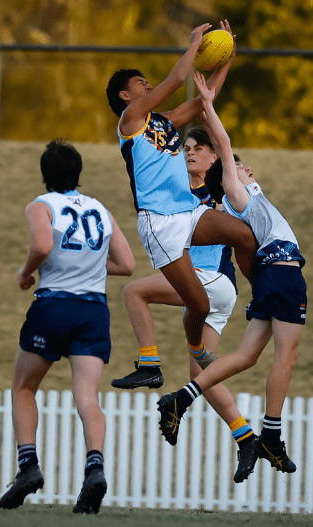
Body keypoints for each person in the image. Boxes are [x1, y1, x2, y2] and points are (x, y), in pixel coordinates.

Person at [157, 71, 307, 475]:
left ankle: (182, 398)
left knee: (246, 356)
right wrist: (207, 103)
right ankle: (272, 437)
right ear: (229, 178)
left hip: (269, 277)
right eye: (236, 168)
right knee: (285, 358)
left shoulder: (250, 195)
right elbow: (222, 145)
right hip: (284, 272)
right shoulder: (238, 195)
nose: (243, 168)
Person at [105, 21, 258, 376]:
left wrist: (228, 58)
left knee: (244, 235)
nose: (146, 85)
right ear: (126, 97)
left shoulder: (162, 122)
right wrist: (193, 45)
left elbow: (205, 101)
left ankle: (262, 299)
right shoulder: (131, 121)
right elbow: (175, 81)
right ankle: (176, 354)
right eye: (139, 84)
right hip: (159, 222)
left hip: (189, 212)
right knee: (199, 305)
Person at [110, 126, 259, 483]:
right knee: (200, 374)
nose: (189, 152)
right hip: (215, 292)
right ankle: (246, 437)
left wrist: (236, 172)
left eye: (199, 148)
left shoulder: (221, 191)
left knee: (134, 292)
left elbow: (242, 217)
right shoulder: (179, 192)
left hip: (210, 281)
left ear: (215, 158)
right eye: (186, 148)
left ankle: (150, 364)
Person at [0, 140, 135, 514]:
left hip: (54, 305)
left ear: (45, 174)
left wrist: (26, 272)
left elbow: (43, 245)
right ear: (78, 173)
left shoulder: (41, 205)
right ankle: (95, 468)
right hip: (93, 311)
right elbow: (126, 264)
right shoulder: (100, 209)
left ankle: (28, 466)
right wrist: (87, 265)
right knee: (87, 396)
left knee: (23, 387)